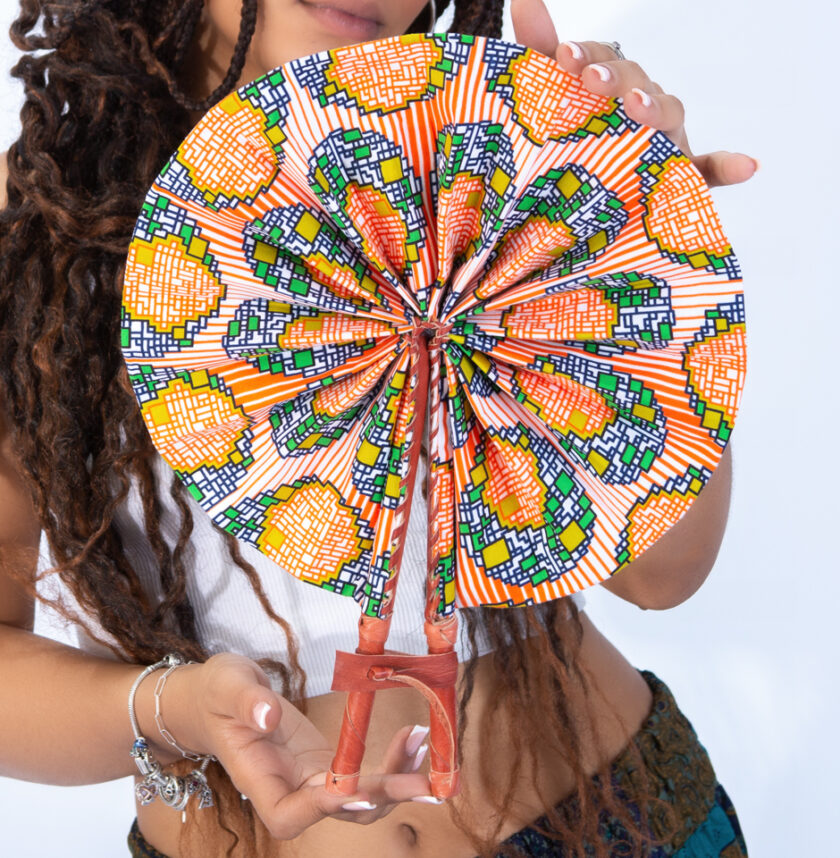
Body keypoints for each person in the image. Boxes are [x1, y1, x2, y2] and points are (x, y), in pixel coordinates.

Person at [0, 0, 757, 855]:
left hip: (612, 821)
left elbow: (665, 573)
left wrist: (636, 216)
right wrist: (174, 709)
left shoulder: (492, 146)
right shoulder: (34, 230)